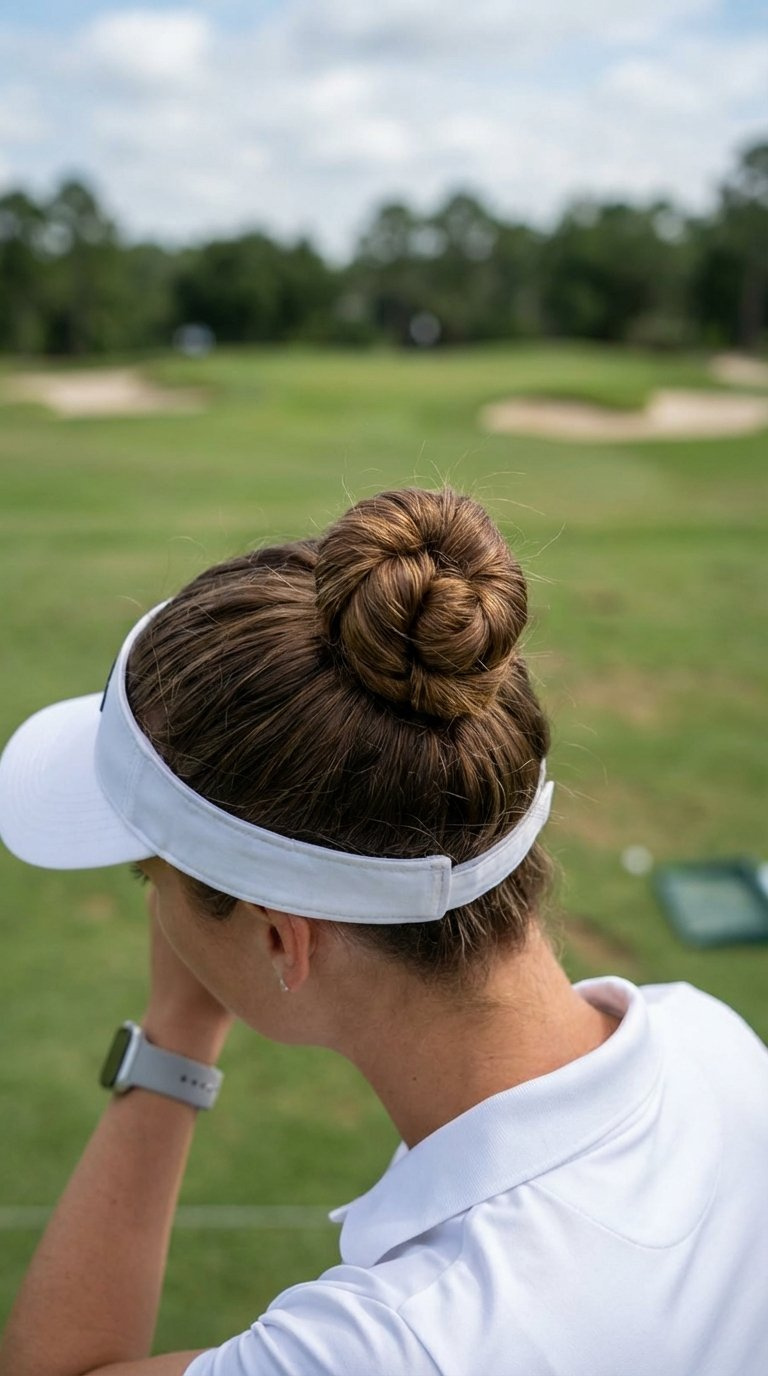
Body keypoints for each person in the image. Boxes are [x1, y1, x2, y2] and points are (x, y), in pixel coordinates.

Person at [0, 485, 766, 1376]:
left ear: (282, 941)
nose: (152, 912)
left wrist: (176, 1034)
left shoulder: (394, 1346)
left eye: (149, 876)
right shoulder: (711, 1039)